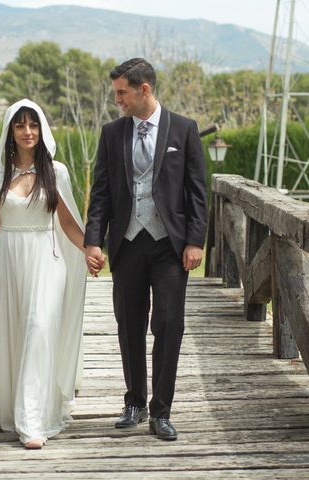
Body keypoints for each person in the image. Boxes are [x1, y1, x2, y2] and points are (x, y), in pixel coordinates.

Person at [84, 58, 207, 441]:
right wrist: (93, 239)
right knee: (129, 324)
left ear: (144, 90)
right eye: (116, 92)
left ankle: (161, 412)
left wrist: (195, 240)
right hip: (127, 243)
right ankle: (134, 402)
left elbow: (198, 192)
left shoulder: (184, 130)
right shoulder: (111, 133)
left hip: (169, 246)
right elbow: (101, 193)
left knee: (169, 325)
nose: (117, 99)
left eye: (122, 92)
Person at [0, 99, 93, 449]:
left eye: (32, 125)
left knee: (38, 327)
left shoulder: (57, 172)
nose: (27, 132)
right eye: (20, 125)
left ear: (42, 129)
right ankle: (10, 407)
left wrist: (90, 249)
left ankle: (31, 420)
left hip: (46, 257)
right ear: (10, 131)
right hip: (7, 259)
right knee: (14, 333)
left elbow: (66, 221)